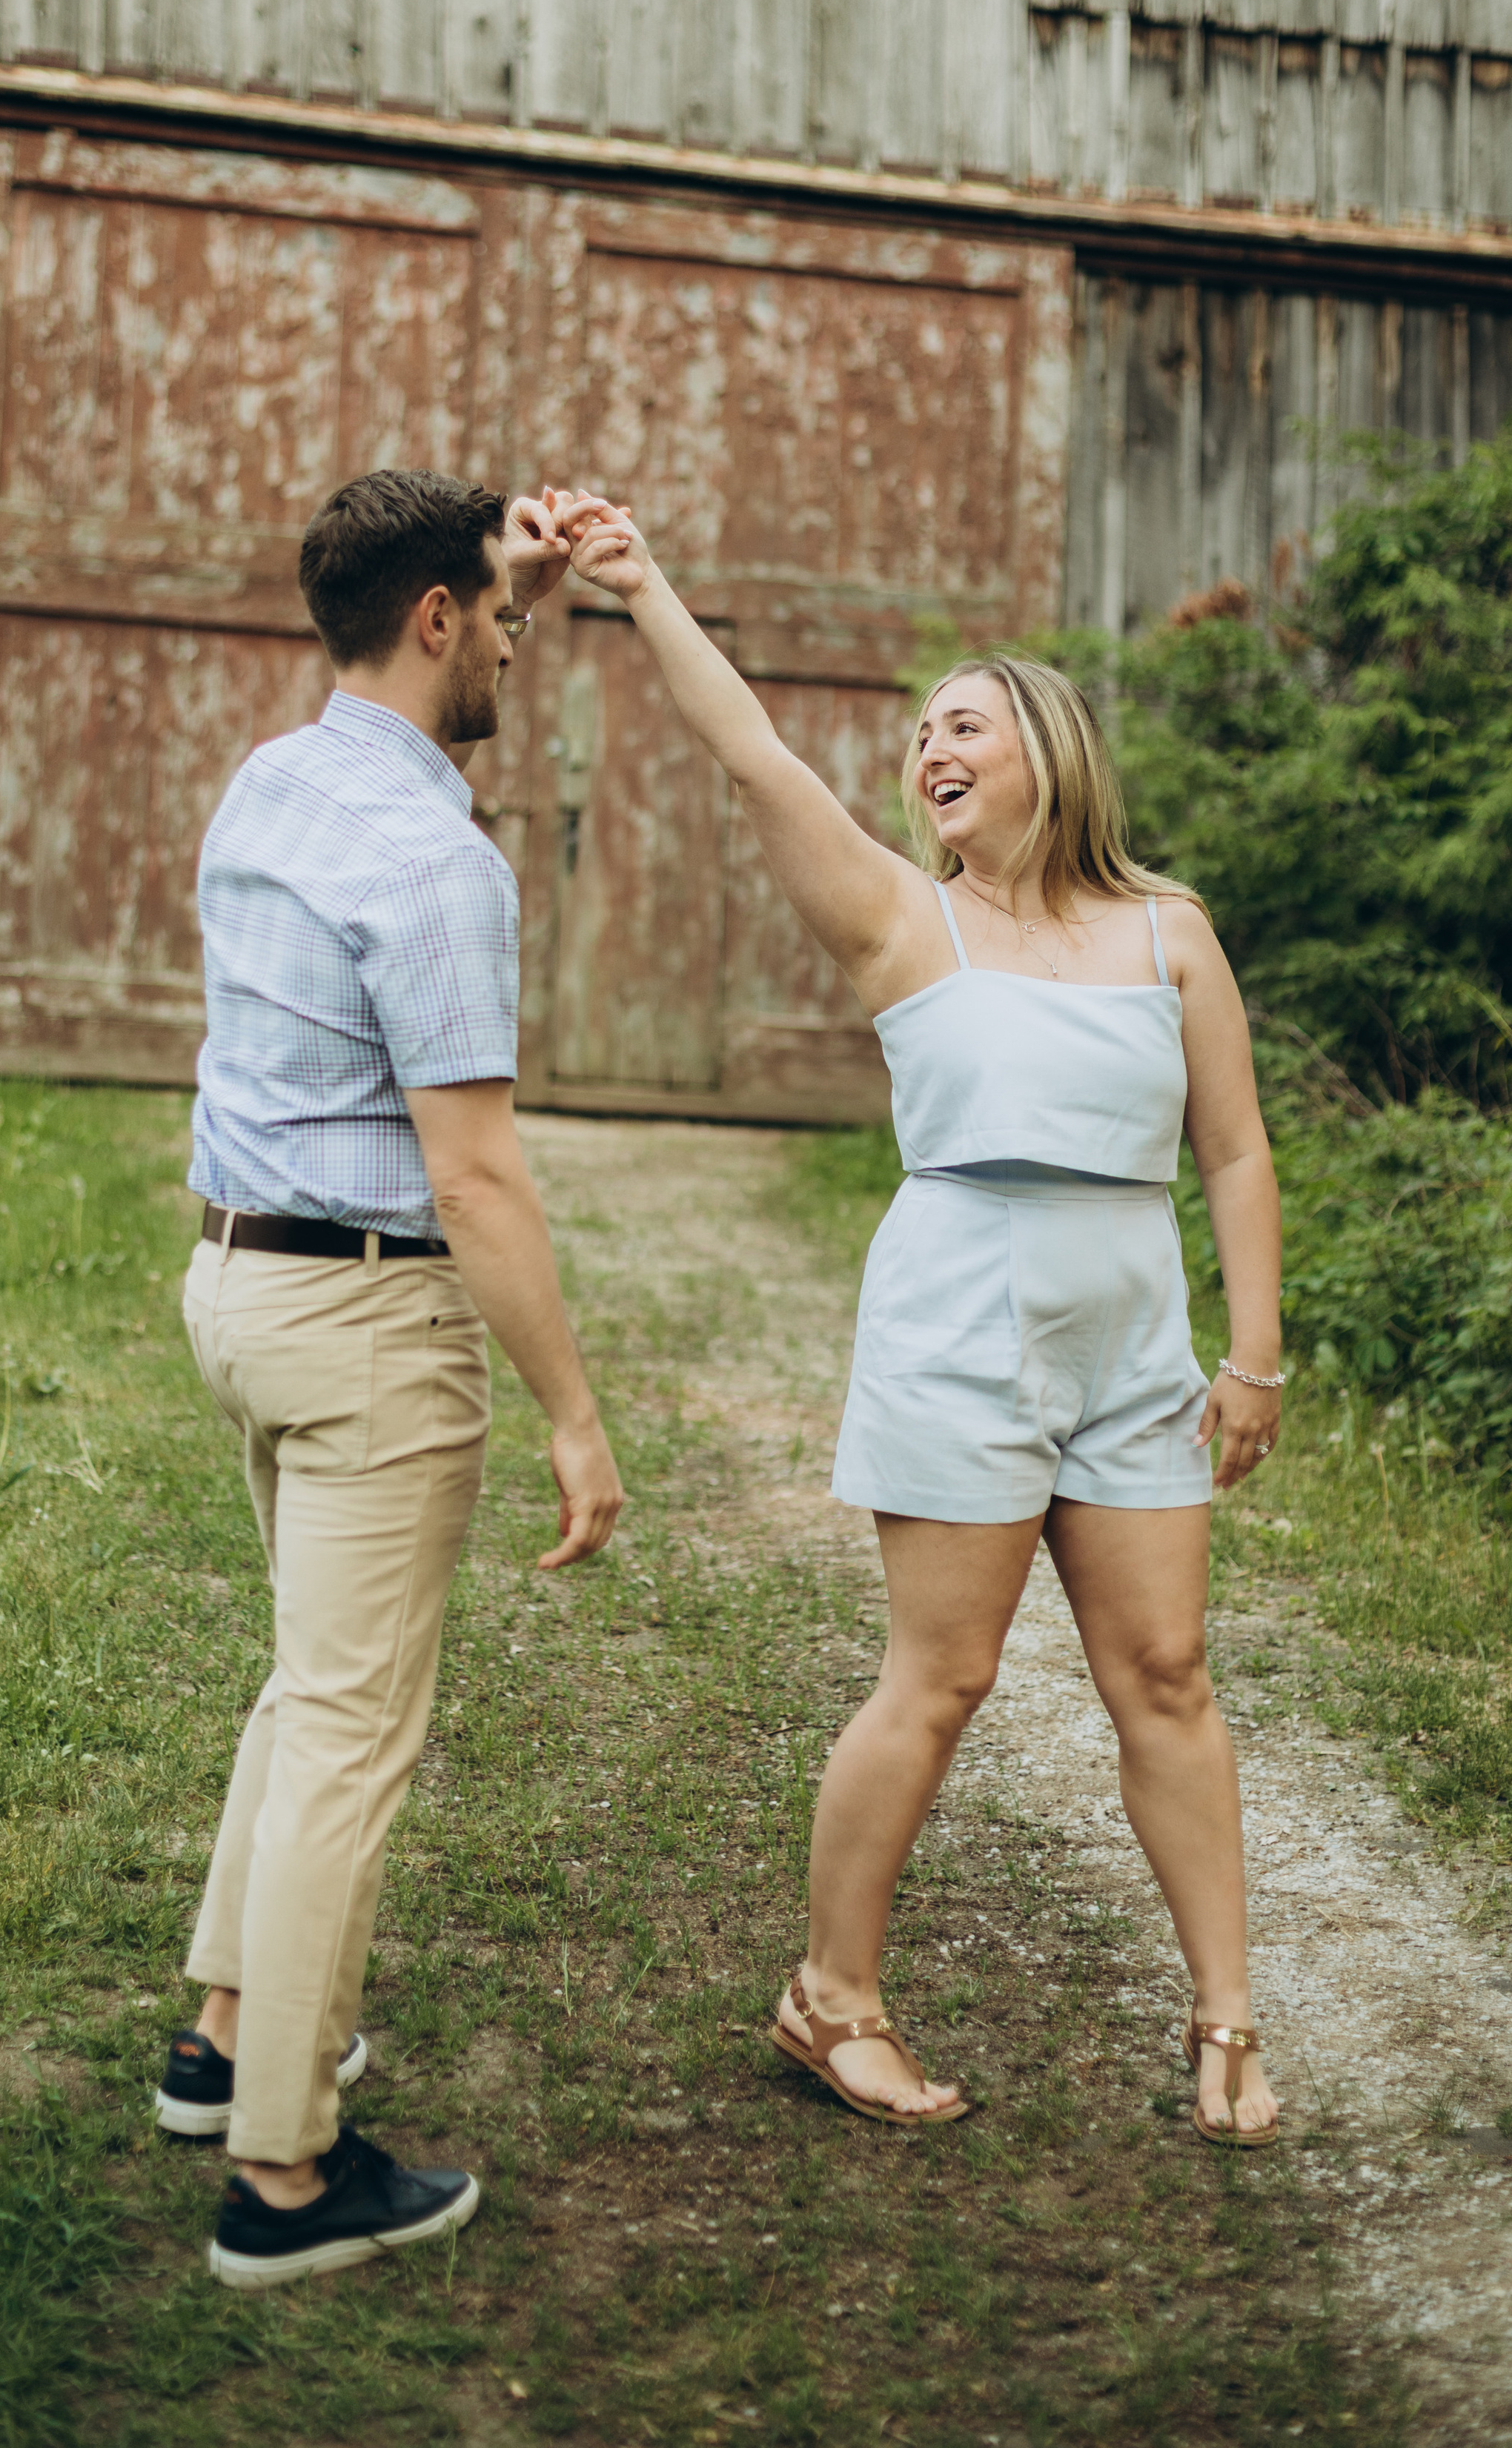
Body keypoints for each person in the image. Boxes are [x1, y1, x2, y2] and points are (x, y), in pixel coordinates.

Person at [561, 493, 1282, 2148]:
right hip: (957, 1328)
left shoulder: (1168, 932)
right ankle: (833, 2001)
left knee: (1164, 1672)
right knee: (939, 1680)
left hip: (1129, 1345)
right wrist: (643, 585)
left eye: (959, 725)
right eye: (915, 739)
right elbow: (752, 756)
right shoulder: (902, 915)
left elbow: (1230, 1148)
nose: (925, 751)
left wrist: (1250, 1358)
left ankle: (1226, 2020)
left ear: (1045, 747)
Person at [157, 469, 626, 2288]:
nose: (515, 638)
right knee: (354, 1734)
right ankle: (284, 2172)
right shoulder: (441, 862)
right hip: (365, 1330)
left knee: (307, 1689)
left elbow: (417, 653)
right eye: (499, 616)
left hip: (238, 1294)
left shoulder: (274, 779)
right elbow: (475, 1177)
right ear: (435, 618)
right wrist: (575, 1414)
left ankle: (219, 2038)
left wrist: (493, 562)